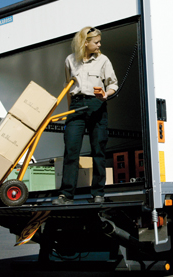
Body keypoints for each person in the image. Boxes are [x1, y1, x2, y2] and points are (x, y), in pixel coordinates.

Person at [53, 26, 118, 205]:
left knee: (98, 150)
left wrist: (106, 94)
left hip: (97, 105)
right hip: (76, 105)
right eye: (96, 42)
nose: (99, 45)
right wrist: (68, 110)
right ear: (85, 43)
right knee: (71, 150)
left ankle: (98, 193)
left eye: (99, 42)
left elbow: (113, 84)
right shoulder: (70, 60)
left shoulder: (103, 60)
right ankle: (66, 195)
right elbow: (68, 87)